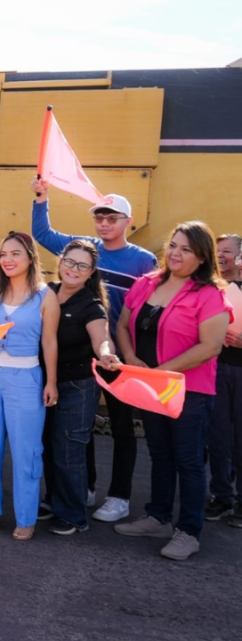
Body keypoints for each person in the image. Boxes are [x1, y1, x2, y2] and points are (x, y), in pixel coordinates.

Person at [31, 179, 158, 523]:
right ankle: (82, 488)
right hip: (80, 357)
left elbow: (149, 311)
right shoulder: (82, 249)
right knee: (77, 428)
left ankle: (120, 496)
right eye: (100, 217)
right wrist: (41, 198)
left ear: (127, 222)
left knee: (121, 427)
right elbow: (42, 233)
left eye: (112, 218)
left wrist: (129, 353)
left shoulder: (144, 261)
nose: (104, 224)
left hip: (117, 357)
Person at [113, 222, 231, 561]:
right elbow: (123, 325)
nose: (176, 254)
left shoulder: (210, 294)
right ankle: (158, 517)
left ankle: (189, 531)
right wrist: (133, 359)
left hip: (188, 391)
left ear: (202, 258)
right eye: (174, 246)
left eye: (187, 250)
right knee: (160, 453)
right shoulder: (147, 283)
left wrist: (162, 372)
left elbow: (210, 347)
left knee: (189, 460)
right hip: (150, 386)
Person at [0, 232, 60, 540]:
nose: (7, 259)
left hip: (26, 379)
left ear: (30, 258)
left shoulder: (45, 295)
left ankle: (25, 518)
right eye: (4, 254)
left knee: (26, 452)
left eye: (16, 254)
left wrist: (51, 381)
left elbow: (49, 341)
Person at [42, 240, 115, 536]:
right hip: (43, 380)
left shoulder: (91, 304)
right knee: (46, 445)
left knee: (69, 449)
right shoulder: (45, 292)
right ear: (60, 262)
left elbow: (102, 338)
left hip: (76, 385)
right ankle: (55, 500)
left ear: (91, 271)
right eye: (70, 262)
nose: (74, 269)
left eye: (82, 266)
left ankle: (73, 515)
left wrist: (106, 353)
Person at [208, 234, 242, 527]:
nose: (221, 256)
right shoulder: (210, 287)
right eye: (217, 251)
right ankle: (221, 496)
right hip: (214, 369)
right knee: (217, 438)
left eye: (227, 252)